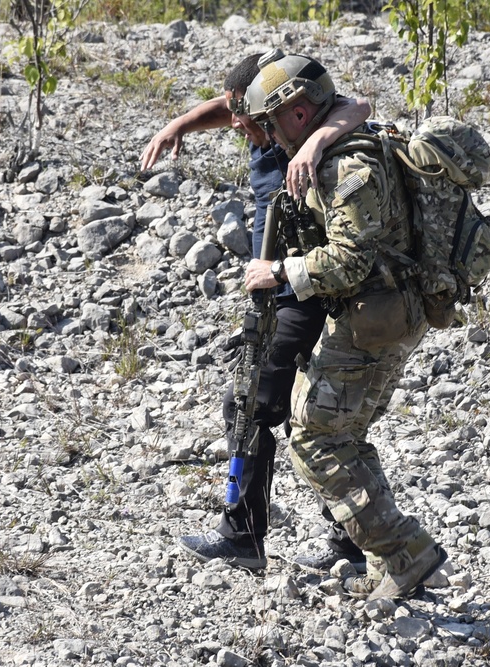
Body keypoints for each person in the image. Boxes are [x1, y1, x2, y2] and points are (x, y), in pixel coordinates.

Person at [141, 55, 372, 572]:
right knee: (304, 412)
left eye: (247, 123)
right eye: (239, 121)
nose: (241, 131)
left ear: (274, 111)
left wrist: (312, 144)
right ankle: (350, 540)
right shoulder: (261, 125)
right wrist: (178, 124)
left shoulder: (300, 130)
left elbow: (358, 105)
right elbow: (224, 108)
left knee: (247, 402)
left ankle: (243, 536)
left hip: (304, 292)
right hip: (288, 290)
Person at [241, 49, 448, 601]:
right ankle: (392, 561)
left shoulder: (343, 166)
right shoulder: (347, 141)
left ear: (299, 115)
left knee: (313, 439)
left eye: (270, 122)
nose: (266, 135)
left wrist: (278, 270)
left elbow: (350, 260)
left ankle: (407, 552)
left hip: (370, 323)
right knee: (345, 435)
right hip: (385, 316)